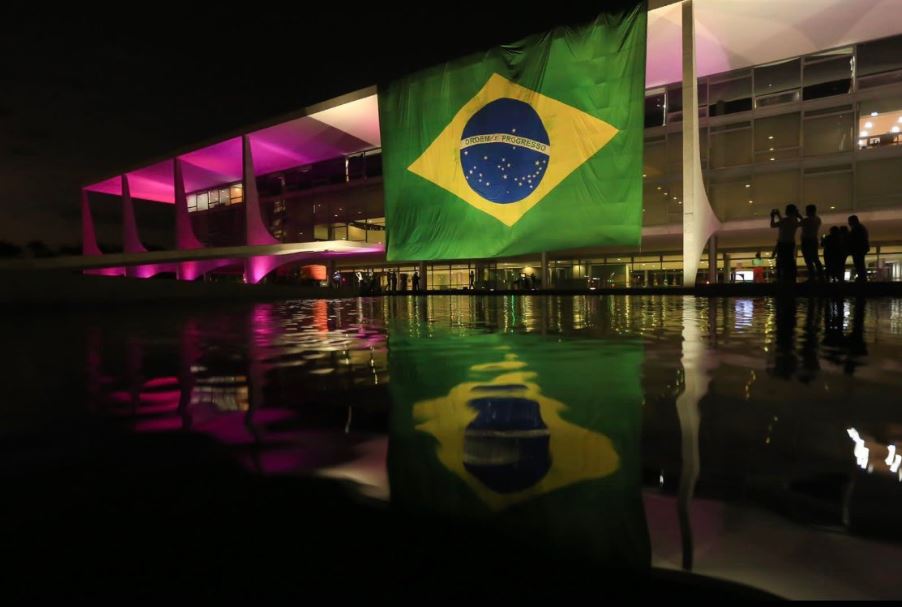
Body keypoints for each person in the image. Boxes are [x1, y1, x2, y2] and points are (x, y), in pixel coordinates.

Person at [770, 204, 800, 284]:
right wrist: (798, 215)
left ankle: (780, 278)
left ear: (787, 211)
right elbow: (785, 223)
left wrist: (772, 216)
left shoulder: (785, 220)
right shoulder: (795, 220)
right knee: (790, 261)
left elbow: (773, 225)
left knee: (780, 261)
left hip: (782, 243)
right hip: (791, 243)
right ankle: (791, 278)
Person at [800, 204, 824, 281]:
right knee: (815, 258)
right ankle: (820, 276)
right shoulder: (818, 219)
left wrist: (798, 216)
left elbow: (802, 223)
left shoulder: (807, 220)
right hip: (814, 240)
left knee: (808, 259)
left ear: (809, 211)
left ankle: (812, 276)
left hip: (807, 241)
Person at [848, 215, 870, 283]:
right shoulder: (860, 227)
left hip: (858, 249)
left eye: (849, 222)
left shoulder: (857, 228)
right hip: (861, 248)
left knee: (859, 264)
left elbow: (854, 239)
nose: (849, 223)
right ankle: (862, 277)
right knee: (860, 264)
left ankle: (862, 277)